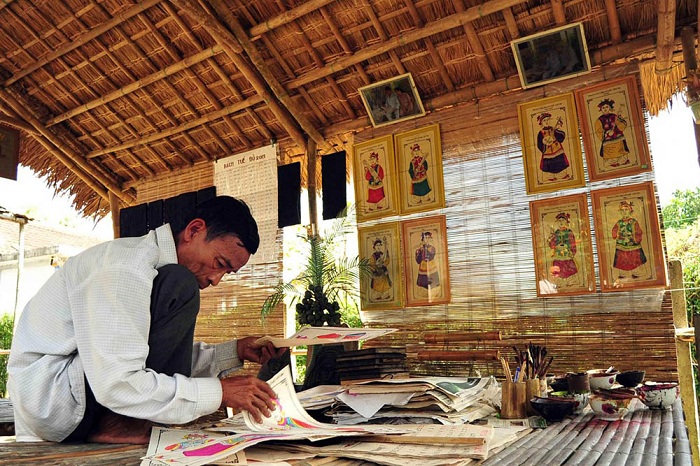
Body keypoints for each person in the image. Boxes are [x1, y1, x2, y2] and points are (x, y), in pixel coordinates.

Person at [8, 195, 287, 445]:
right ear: (194, 230)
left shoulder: (149, 270)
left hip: (75, 392)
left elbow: (139, 355)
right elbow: (116, 381)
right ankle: (119, 424)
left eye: (228, 272)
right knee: (180, 285)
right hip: (53, 401)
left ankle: (123, 422)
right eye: (220, 263)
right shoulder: (125, 267)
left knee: (177, 286)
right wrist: (218, 393)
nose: (216, 279)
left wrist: (235, 351)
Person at [612, 200, 648, 280]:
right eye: (622, 210)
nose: (624, 212)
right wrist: (619, 236)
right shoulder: (619, 223)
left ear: (630, 211)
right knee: (621, 259)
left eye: (626, 210)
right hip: (621, 245)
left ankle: (637, 273)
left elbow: (639, 232)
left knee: (635, 258)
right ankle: (623, 274)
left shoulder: (634, 222)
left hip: (633, 245)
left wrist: (633, 238)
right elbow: (614, 231)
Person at [594, 98, 631, 168]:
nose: (605, 109)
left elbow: (622, 125)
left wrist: (619, 120)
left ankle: (622, 161)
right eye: (603, 107)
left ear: (610, 108)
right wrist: (606, 133)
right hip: (608, 139)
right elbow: (598, 131)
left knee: (620, 150)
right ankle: (611, 163)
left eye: (607, 107)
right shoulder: (599, 120)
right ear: (601, 109)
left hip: (617, 136)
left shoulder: (614, 116)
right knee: (610, 153)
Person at [536, 112, 571, 182]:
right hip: (548, 151)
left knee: (559, 162)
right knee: (549, 164)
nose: (546, 122)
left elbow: (561, 138)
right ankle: (550, 177)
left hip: (557, 149)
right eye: (544, 120)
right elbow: (539, 144)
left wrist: (557, 130)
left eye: (548, 120)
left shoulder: (553, 129)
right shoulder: (541, 133)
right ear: (541, 122)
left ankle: (562, 175)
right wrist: (545, 145)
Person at [547, 212, 578, 286]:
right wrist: (550, 240)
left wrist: (572, 252)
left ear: (566, 222)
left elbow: (572, 243)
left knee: (568, 267)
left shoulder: (569, 232)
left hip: (567, 253)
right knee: (558, 267)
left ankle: (570, 281)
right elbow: (552, 244)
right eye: (559, 221)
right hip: (558, 254)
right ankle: (559, 282)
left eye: (563, 220)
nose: (561, 222)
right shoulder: (556, 233)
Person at [415, 231, 440, 296]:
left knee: (433, 284)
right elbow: (418, 261)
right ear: (423, 239)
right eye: (425, 238)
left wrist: (425, 248)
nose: (427, 239)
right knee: (423, 284)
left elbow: (429, 257)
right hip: (423, 268)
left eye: (428, 238)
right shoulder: (420, 249)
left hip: (432, 268)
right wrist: (419, 251)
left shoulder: (432, 248)